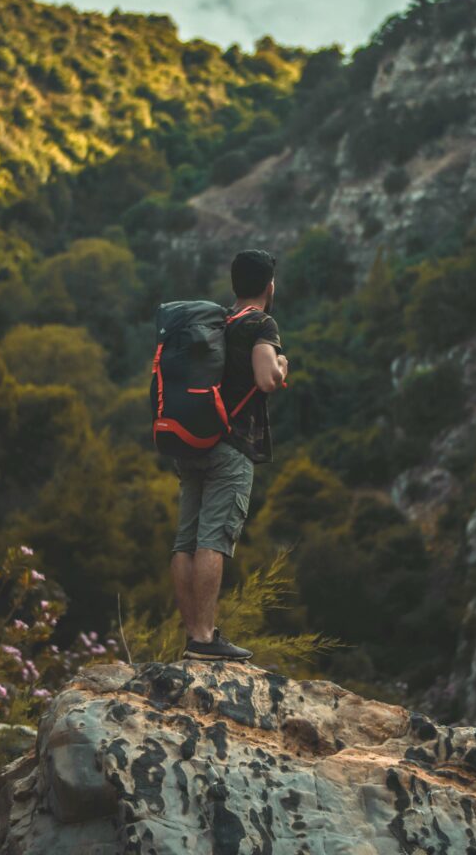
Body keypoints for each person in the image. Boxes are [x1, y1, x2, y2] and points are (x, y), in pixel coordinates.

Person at [170, 249, 288, 661]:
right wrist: (282, 364)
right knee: (213, 540)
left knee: (185, 541)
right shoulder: (261, 323)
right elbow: (266, 378)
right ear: (268, 286)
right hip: (231, 446)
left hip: (190, 441)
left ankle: (194, 635)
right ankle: (204, 639)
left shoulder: (215, 320)